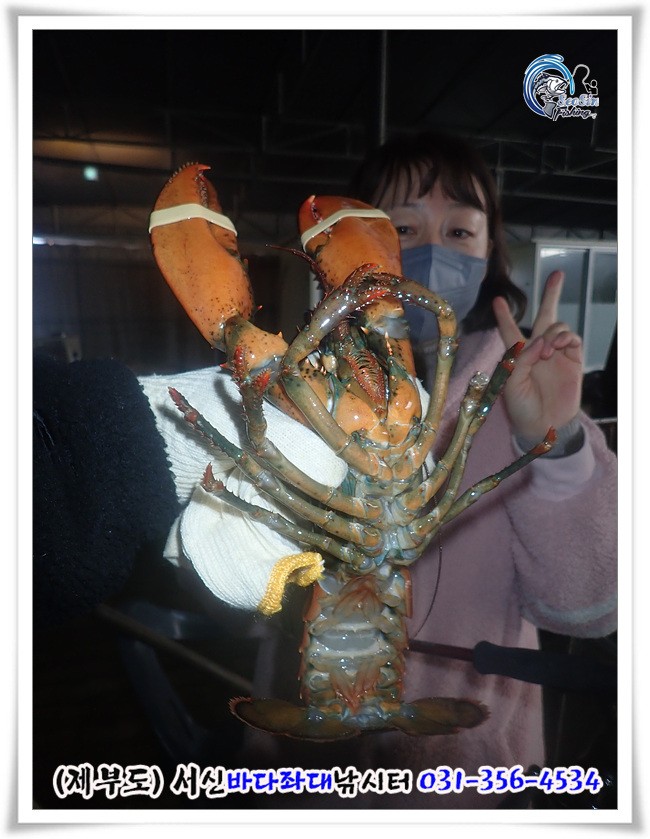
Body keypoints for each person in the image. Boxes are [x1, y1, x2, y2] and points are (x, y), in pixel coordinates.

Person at [230, 132, 617, 810]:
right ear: (350, 243)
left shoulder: (526, 399)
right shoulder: (302, 386)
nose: (433, 252)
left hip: (467, 781)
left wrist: (552, 443)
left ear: (490, 252)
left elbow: (591, 608)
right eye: (402, 228)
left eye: (460, 230)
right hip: (308, 770)